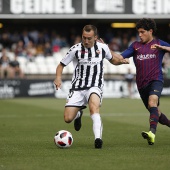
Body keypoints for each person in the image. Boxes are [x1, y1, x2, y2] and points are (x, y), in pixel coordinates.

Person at [53, 25, 129, 149]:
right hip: (77, 87)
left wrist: (120, 61)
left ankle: (98, 139)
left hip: (95, 86)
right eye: (84, 38)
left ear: (95, 37)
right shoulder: (75, 49)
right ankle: (78, 114)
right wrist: (58, 78)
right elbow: (61, 65)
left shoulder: (103, 48)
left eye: (89, 38)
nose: (86, 41)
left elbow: (112, 60)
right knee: (67, 119)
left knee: (94, 108)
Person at [106, 18, 170, 145]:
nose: (139, 35)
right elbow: (119, 58)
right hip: (141, 85)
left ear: (150, 31)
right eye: (138, 32)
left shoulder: (159, 43)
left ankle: (151, 133)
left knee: (152, 102)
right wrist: (107, 51)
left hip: (156, 80)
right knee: (156, 111)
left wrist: (165, 48)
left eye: (142, 32)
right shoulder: (135, 46)